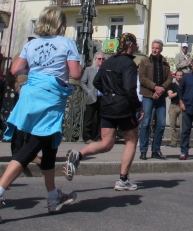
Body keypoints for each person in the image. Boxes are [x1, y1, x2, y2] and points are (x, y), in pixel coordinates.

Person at [0, 7, 81, 223]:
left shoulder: (31, 44)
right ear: (61, 24)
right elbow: (75, 73)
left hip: (30, 93)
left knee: (49, 146)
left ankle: (53, 196)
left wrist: (37, 71)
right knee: (34, 144)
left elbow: (15, 69)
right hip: (50, 97)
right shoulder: (66, 43)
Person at [64, 33, 144, 191]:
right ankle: (123, 179)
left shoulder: (109, 61)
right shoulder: (129, 63)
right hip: (123, 106)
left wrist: (108, 93)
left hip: (107, 105)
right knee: (131, 140)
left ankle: (78, 155)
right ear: (130, 45)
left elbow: (96, 81)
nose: (136, 47)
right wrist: (137, 107)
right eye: (135, 44)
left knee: (106, 143)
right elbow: (130, 88)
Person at [138, 39, 172, 160]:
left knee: (161, 124)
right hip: (148, 95)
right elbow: (142, 78)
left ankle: (156, 150)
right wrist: (155, 87)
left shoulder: (165, 63)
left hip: (160, 97)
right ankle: (143, 150)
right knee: (146, 123)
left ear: (161, 49)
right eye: (153, 48)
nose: (154, 50)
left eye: (157, 48)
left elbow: (169, 78)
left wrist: (161, 89)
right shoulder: (144, 61)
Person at [80, 53, 105, 143]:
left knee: (101, 119)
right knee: (89, 118)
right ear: (95, 59)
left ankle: (99, 137)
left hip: (102, 97)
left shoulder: (105, 70)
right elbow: (82, 82)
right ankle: (87, 137)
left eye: (103, 59)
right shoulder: (89, 69)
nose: (101, 61)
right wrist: (88, 91)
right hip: (92, 97)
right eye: (99, 59)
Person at [167, 70, 184, 148]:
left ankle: (183, 142)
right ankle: (173, 142)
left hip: (182, 106)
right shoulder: (172, 85)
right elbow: (170, 95)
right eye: (178, 75)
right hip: (173, 106)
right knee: (172, 125)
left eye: (181, 75)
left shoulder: (185, 85)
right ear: (175, 76)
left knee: (183, 126)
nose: (179, 77)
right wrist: (179, 92)